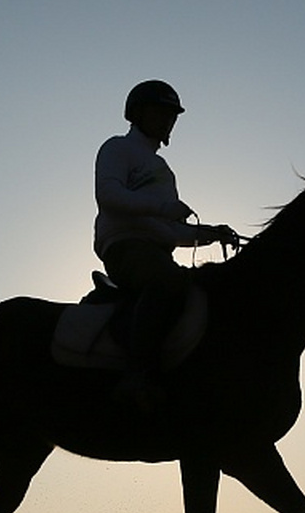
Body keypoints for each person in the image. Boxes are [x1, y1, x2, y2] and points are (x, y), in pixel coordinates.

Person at [92, 79, 232, 405]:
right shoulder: (117, 148)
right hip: (126, 247)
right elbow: (108, 195)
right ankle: (137, 374)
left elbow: (171, 231)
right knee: (169, 282)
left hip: (157, 251)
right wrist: (163, 208)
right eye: (161, 113)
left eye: (172, 116)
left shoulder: (163, 170)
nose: (168, 121)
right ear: (138, 113)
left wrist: (209, 234)